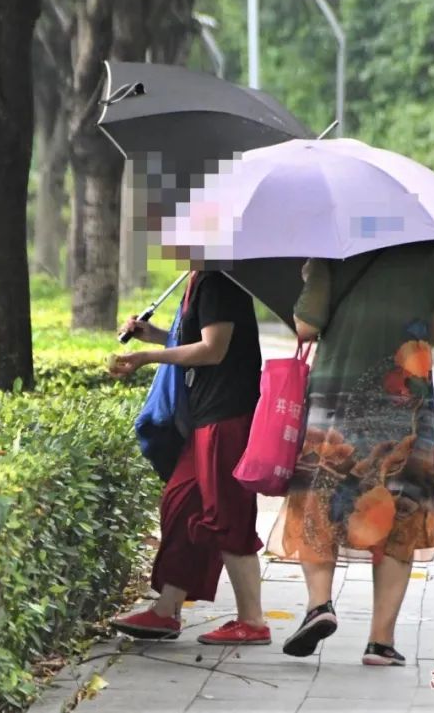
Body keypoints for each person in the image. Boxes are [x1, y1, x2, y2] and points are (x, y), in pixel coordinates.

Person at [269, 241, 434, 666]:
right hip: (406, 397)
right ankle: (380, 642)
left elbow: (306, 326)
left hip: (338, 393)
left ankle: (320, 605)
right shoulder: (428, 252)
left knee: (320, 496)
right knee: (400, 508)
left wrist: (311, 275)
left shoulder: (332, 245)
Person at [108, 268, 269, 645]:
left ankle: (253, 621)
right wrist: (156, 337)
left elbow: (213, 350)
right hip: (205, 413)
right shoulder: (198, 279)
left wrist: (148, 356)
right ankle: (166, 611)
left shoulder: (219, 280)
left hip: (225, 413)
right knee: (181, 503)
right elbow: (198, 340)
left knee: (226, 513)